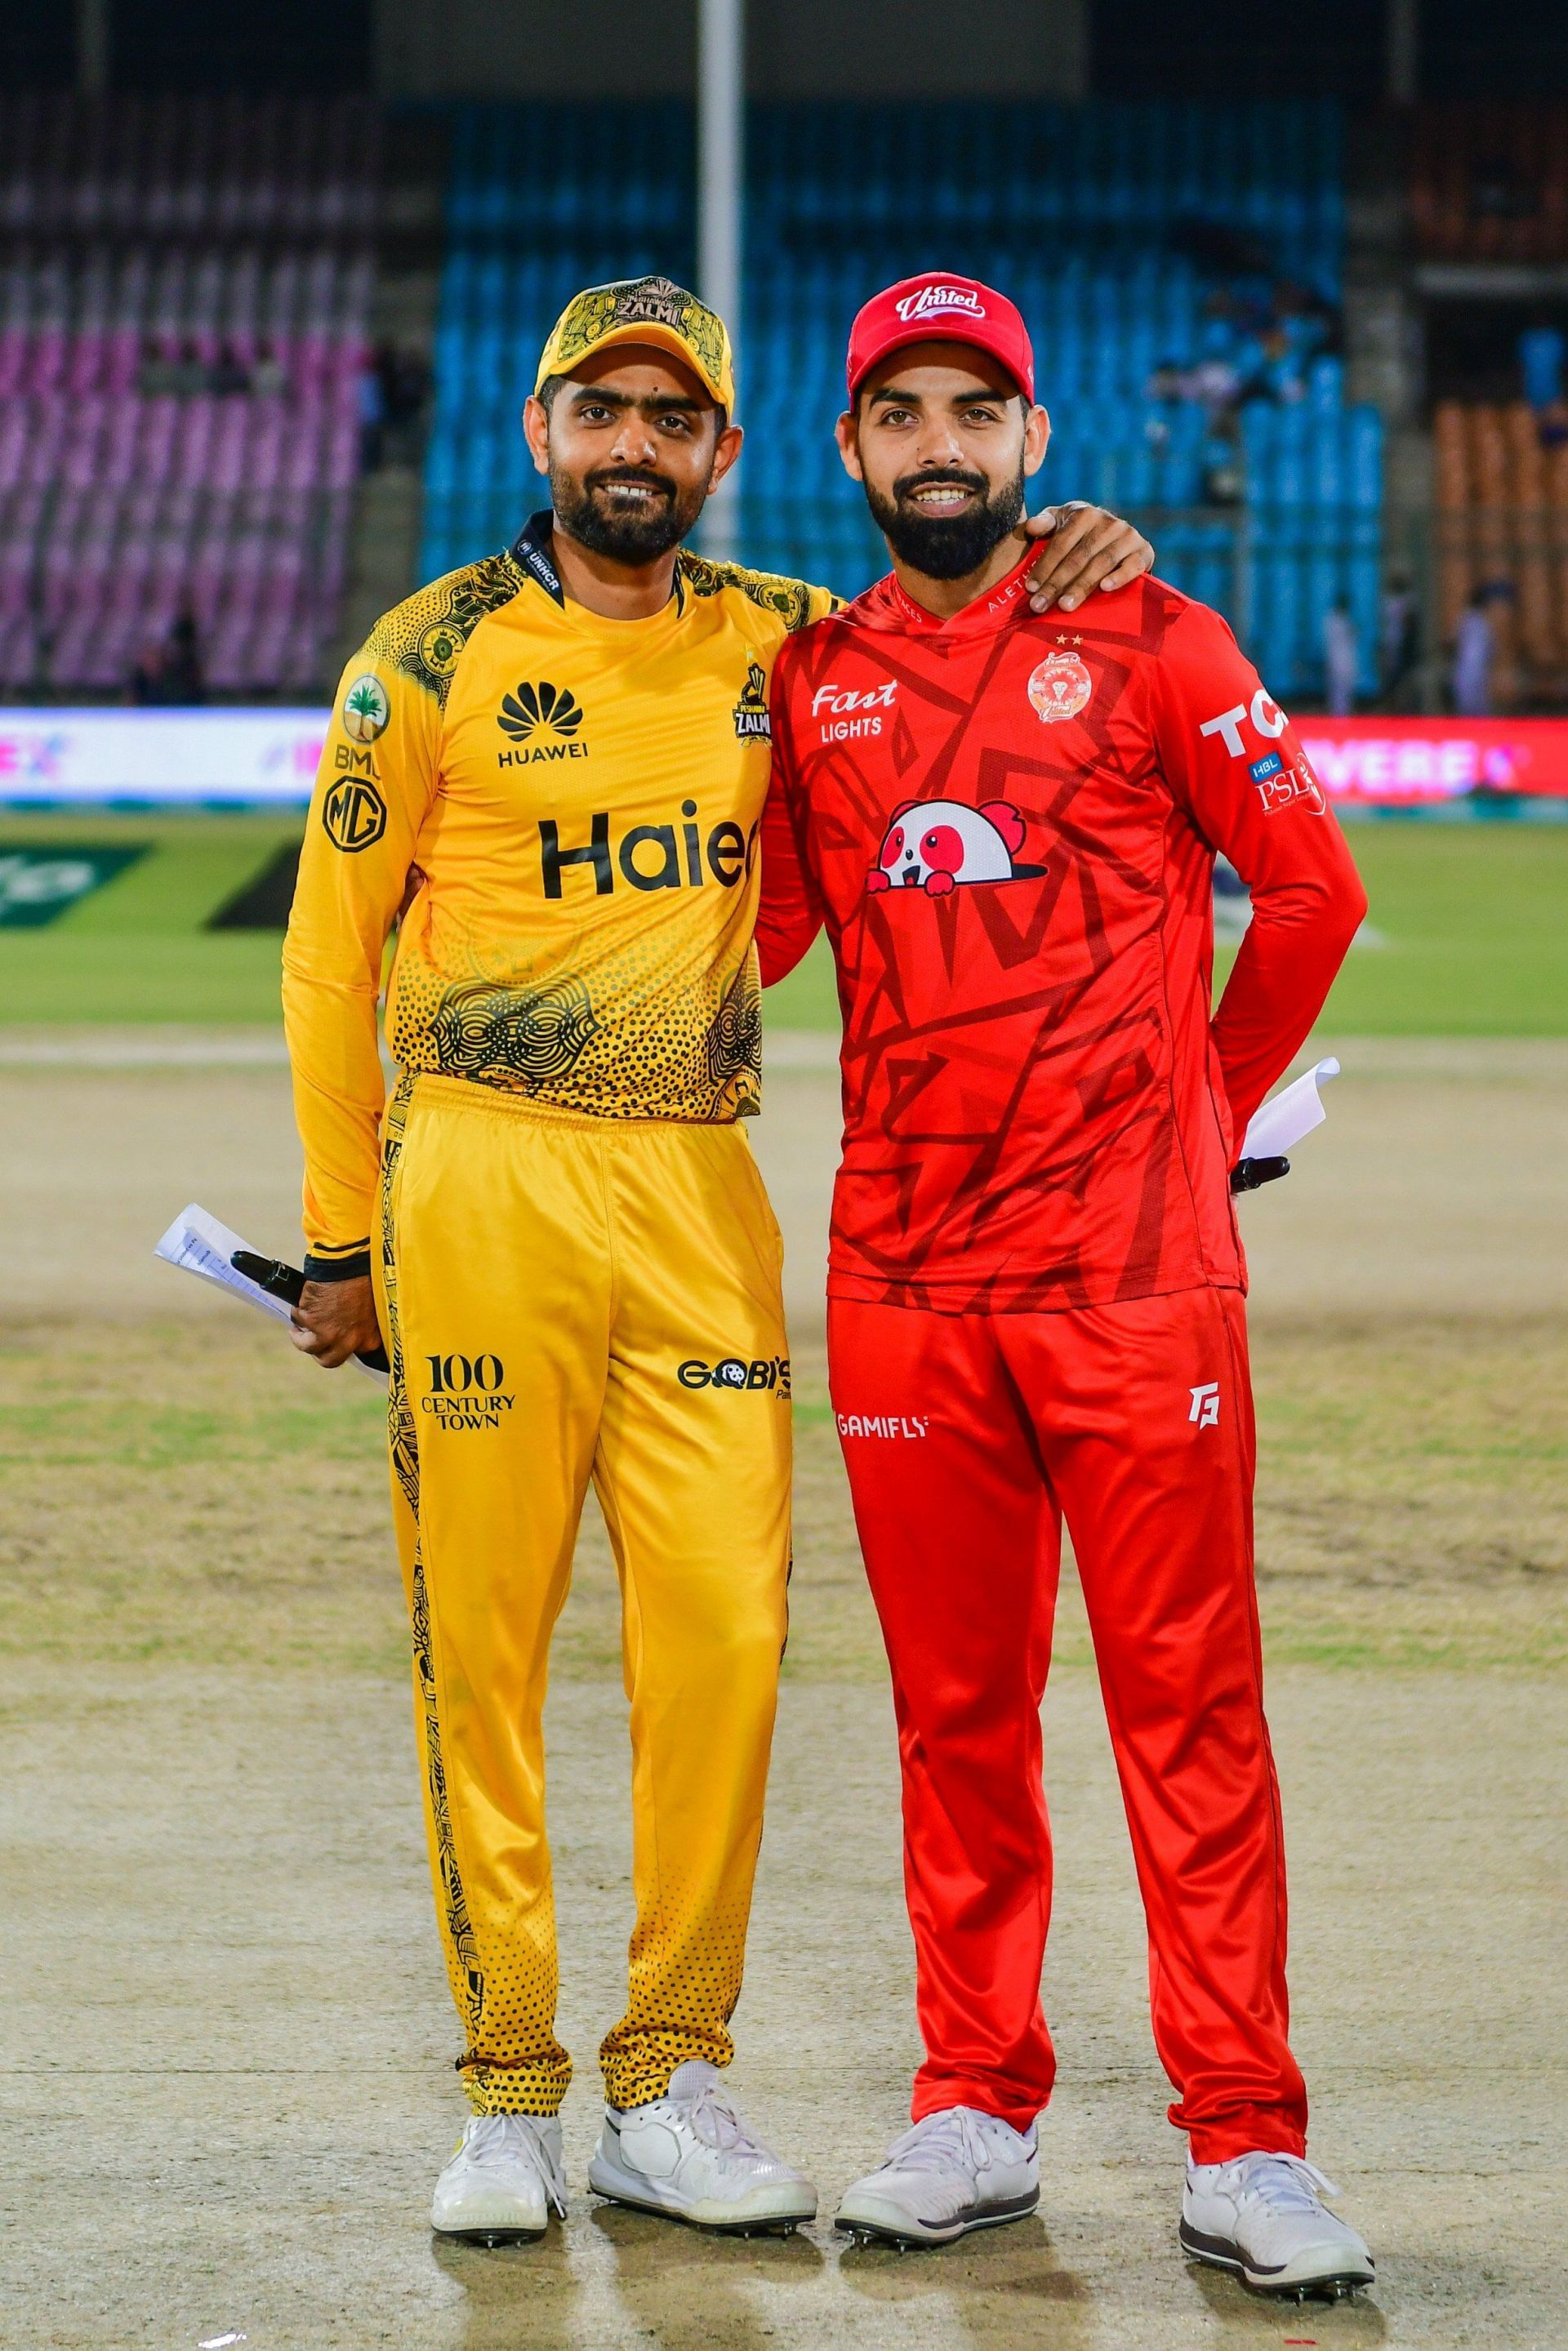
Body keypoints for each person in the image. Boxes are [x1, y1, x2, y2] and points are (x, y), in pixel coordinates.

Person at [281, 271, 1155, 2246]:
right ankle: (509, 2088)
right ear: (539, 432)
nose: (633, 447)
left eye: (672, 421)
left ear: (726, 452)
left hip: (694, 1189)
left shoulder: (784, 641)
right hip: (482, 1188)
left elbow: (960, 615)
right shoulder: (416, 660)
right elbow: (329, 963)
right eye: (601, 412)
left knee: (728, 1653)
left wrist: (1085, 551)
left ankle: (664, 2080)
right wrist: (342, 1237)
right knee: (481, 1654)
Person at [755, 272, 1375, 2300]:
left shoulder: (1152, 630)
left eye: (976, 409)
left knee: (1187, 1706)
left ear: (1034, 442)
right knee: (956, 1712)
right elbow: (743, 938)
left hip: (1131, 1278)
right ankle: (975, 2101)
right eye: (900, 412)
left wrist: (1200, 1101)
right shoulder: (808, 673)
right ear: (849, 451)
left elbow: (1312, 888)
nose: (940, 442)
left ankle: (1245, 2137)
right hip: (907, 1281)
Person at [1452, 583, 1498, 715]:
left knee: (1478, 706)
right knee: (1469, 706)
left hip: (1475, 668)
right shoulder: (1468, 619)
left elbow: (1492, 647)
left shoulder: (1481, 621)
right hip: (1467, 668)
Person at [1322, 594, 1358, 715]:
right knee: (1337, 688)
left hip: (1347, 657)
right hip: (1335, 657)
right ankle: (1337, 714)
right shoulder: (1332, 619)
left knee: (1347, 688)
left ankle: (1345, 714)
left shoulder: (1347, 619)